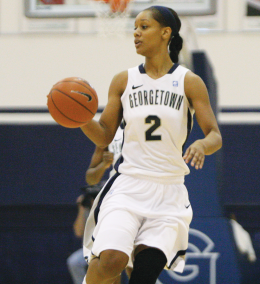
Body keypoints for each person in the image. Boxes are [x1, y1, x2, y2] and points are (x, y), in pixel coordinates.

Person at [80, 5, 222, 284]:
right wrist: (82, 119)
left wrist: (203, 146)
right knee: (111, 260)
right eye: (135, 27)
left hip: (168, 192)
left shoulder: (189, 82)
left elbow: (214, 134)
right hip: (129, 185)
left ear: (165, 33)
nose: (136, 33)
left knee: (143, 276)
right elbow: (105, 135)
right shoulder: (124, 80)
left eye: (144, 27)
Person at [67, 125, 124, 284]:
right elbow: (91, 178)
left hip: (143, 196)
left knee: (135, 262)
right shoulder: (110, 131)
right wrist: (103, 165)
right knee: (110, 261)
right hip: (119, 201)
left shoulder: (145, 124)